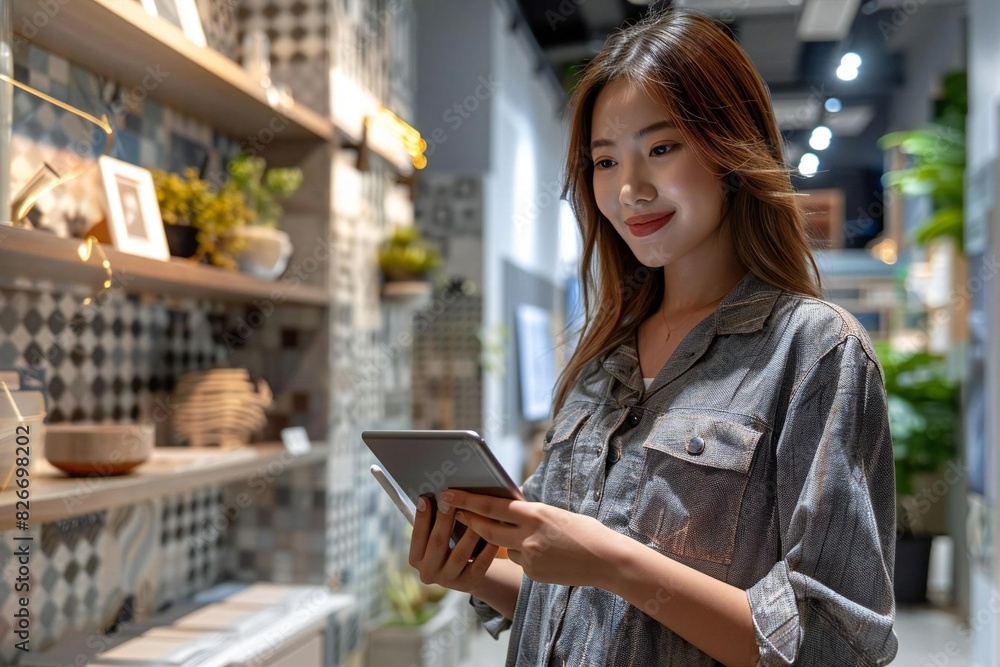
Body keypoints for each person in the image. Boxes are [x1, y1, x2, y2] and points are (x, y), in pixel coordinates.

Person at [407, 8, 898, 666]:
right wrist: (470, 571)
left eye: (661, 148)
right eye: (605, 161)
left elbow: (834, 642)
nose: (630, 189)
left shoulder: (814, 352)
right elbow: (574, 609)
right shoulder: (602, 360)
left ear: (730, 149)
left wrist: (615, 562)